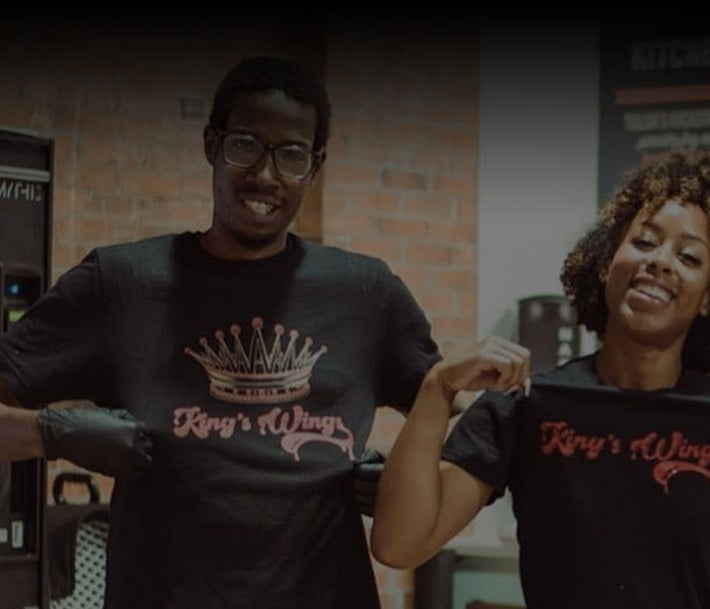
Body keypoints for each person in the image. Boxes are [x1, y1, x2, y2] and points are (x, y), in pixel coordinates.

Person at [0, 55, 444, 608]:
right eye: (245, 145)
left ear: (315, 166)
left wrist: (410, 478)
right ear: (211, 144)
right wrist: (52, 434)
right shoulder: (124, 284)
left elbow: (467, 432)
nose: (265, 175)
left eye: (292, 155)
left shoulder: (365, 293)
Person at [370, 149, 710, 608]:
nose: (660, 262)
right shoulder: (529, 405)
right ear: (606, 264)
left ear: (709, 298)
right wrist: (437, 388)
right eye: (644, 242)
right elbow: (399, 543)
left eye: (688, 256)